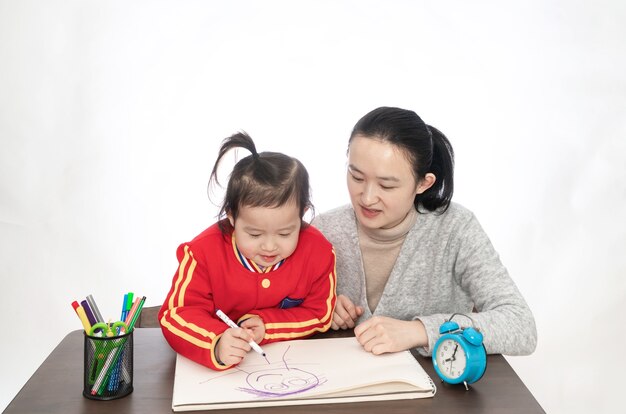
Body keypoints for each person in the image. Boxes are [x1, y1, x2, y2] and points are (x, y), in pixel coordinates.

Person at [312, 107, 536, 357]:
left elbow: (520, 325)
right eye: (356, 176)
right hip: (346, 384)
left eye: (386, 185)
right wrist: (317, 311)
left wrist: (420, 331)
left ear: (423, 183)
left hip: (438, 391)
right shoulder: (324, 230)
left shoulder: (455, 229)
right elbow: (276, 308)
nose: (367, 197)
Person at [159, 132, 337, 370]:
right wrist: (217, 342)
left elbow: (320, 312)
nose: (270, 247)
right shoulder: (202, 253)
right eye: (254, 234)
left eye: (285, 233)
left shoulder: (319, 252)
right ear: (231, 217)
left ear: (302, 214)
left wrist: (269, 325)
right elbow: (176, 315)